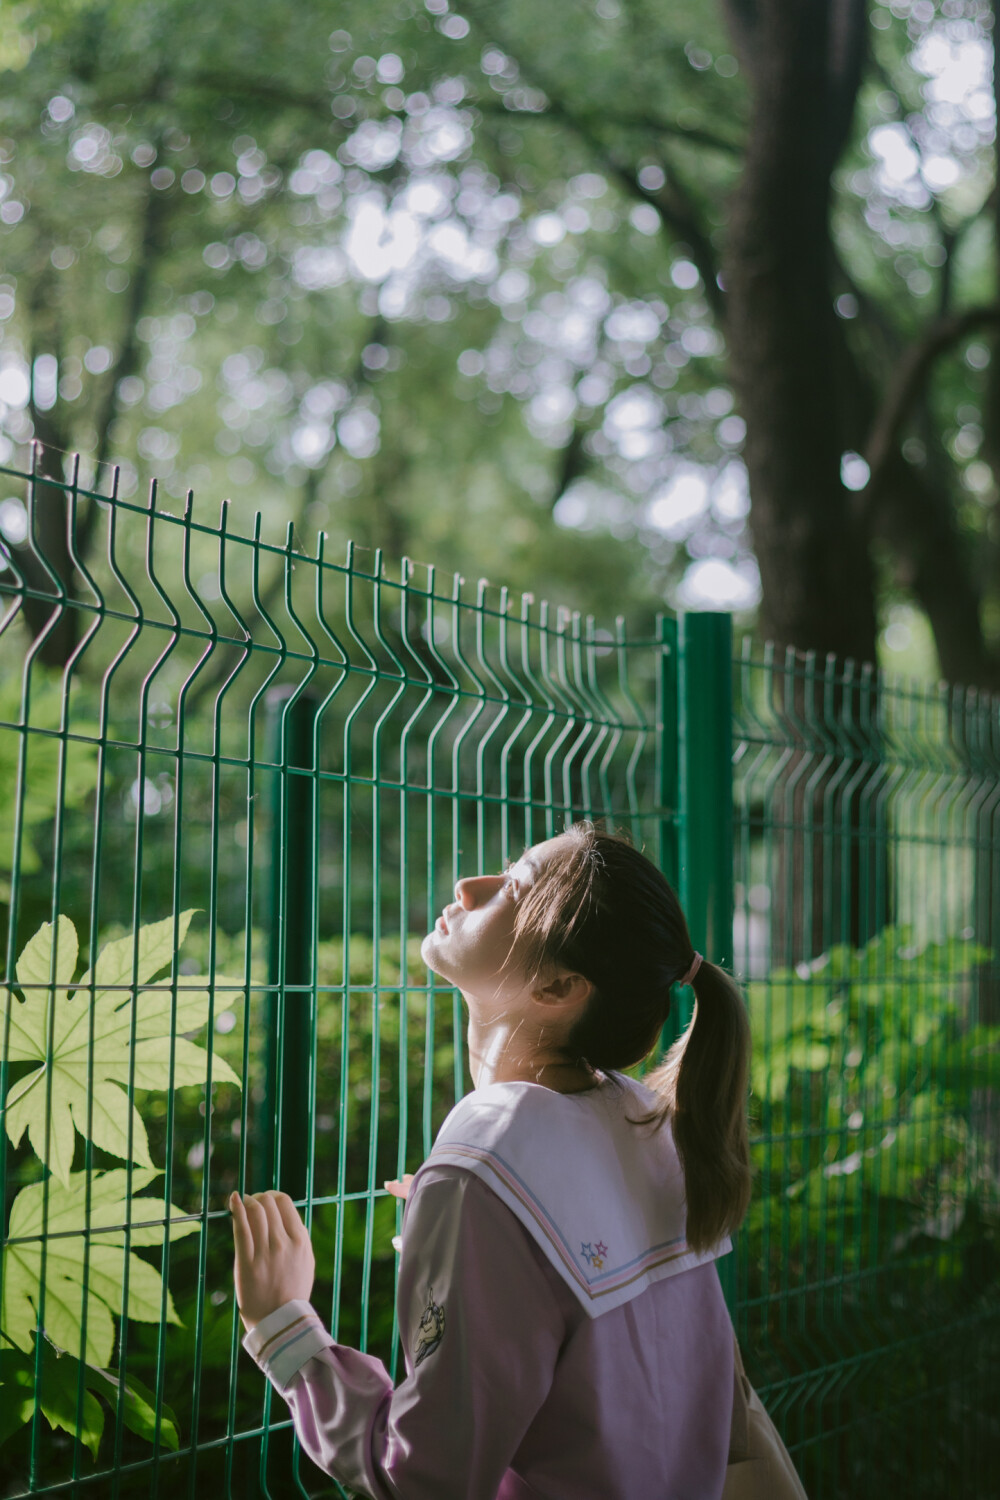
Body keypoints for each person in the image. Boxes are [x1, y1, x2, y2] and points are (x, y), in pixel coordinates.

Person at [232, 821, 755, 1499]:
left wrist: (285, 1330)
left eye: (512, 886)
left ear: (560, 987)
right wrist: (475, 1226)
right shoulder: (646, 1122)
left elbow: (425, 1482)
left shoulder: (487, 1162)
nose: (469, 885)